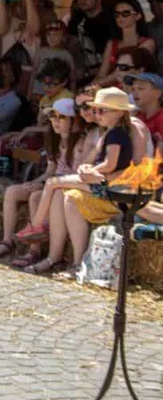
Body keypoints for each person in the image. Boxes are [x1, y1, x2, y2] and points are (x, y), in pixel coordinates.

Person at [20, 87, 137, 275]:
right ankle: (54, 256)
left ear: (119, 112)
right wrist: (86, 167)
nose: (96, 114)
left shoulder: (117, 133)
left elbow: (111, 164)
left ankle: (37, 227)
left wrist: (91, 170)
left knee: (54, 184)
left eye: (102, 110)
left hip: (107, 185)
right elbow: (91, 160)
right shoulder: (108, 133)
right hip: (99, 180)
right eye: (96, 109)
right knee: (57, 190)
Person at [0, 98, 83, 261]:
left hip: (63, 186)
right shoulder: (54, 140)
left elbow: (73, 174)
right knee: (12, 191)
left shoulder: (80, 143)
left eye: (62, 117)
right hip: (52, 183)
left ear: (74, 121)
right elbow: (51, 171)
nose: (56, 122)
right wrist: (37, 181)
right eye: (53, 117)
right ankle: (7, 241)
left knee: (35, 197)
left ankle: (34, 249)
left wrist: (43, 184)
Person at [93, 0, 156, 87]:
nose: (120, 17)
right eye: (117, 14)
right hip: (111, 91)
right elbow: (101, 74)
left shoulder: (147, 43)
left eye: (126, 13)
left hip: (134, 90)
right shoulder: (112, 43)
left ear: (138, 16)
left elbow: (133, 72)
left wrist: (97, 84)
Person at [68, 0, 116, 84]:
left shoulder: (110, 22)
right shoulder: (76, 20)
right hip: (78, 78)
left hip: (104, 80)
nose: (81, 1)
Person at [128, 71, 163, 145]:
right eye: (133, 89)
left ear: (158, 93)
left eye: (141, 88)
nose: (135, 92)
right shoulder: (136, 116)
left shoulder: (161, 119)